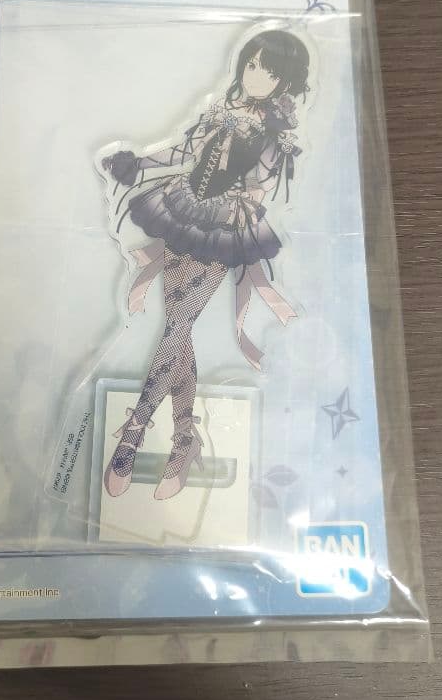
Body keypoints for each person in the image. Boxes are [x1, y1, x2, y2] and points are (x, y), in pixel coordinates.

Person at [102, 28, 309, 501]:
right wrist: (137, 164)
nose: (255, 76)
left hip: (224, 227)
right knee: (179, 328)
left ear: (284, 81)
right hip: (183, 208)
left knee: (178, 326)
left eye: (268, 71)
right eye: (252, 65)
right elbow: (184, 153)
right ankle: (183, 439)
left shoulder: (275, 133)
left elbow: (263, 186)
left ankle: (134, 430)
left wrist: (249, 192)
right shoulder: (220, 110)